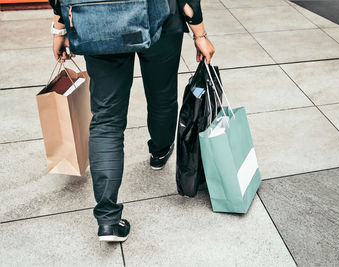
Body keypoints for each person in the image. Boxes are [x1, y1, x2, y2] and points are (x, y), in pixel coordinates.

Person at [49, 0, 215, 242]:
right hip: (161, 18)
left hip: (97, 19)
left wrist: (60, 27)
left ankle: (108, 219)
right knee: (162, 95)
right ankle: (159, 151)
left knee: (106, 118)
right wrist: (199, 32)